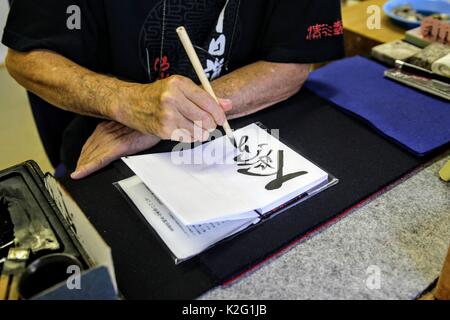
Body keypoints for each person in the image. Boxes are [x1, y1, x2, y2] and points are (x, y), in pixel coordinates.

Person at [2, 0, 344, 179]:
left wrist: (182, 113)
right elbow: (26, 57)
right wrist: (126, 102)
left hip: (240, 136)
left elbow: (292, 64)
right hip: (109, 142)